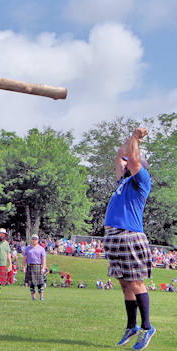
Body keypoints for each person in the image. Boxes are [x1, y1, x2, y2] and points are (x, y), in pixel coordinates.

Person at [103, 127, 155, 349]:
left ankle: (147, 327)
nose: (123, 163)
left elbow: (132, 158)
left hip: (129, 236)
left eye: (128, 162)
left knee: (136, 282)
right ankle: (132, 326)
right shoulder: (122, 182)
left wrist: (136, 139)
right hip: (114, 237)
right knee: (125, 284)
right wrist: (129, 140)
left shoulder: (141, 180)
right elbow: (119, 156)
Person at [23, 234, 47, 301]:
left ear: (38, 240)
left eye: (35, 239)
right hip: (30, 266)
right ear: (31, 240)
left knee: (40, 283)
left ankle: (41, 297)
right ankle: (33, 297)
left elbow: (44, 259)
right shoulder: (28, 249)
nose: (34, 240)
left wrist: (43, 268)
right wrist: (23, 266)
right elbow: (25, 258)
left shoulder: (41, 249)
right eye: (33, 239)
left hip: (38, 266)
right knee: (31, 283)